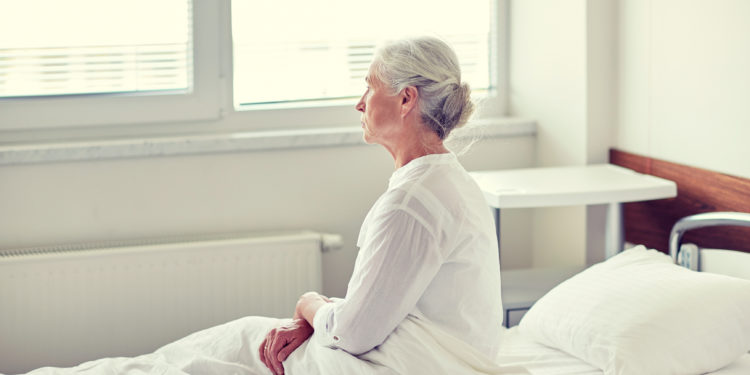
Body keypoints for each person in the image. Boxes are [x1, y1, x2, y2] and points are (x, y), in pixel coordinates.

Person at [259, 36, 503, 375]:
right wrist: (326, 319)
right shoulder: (449, 181)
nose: (359, 104)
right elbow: (378, 308)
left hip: (427, 364)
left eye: (370, 88)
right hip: (436, 356)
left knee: (245, 345)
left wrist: (309, 304)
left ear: (406, 99)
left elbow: (354, 333)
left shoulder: (413, 202)